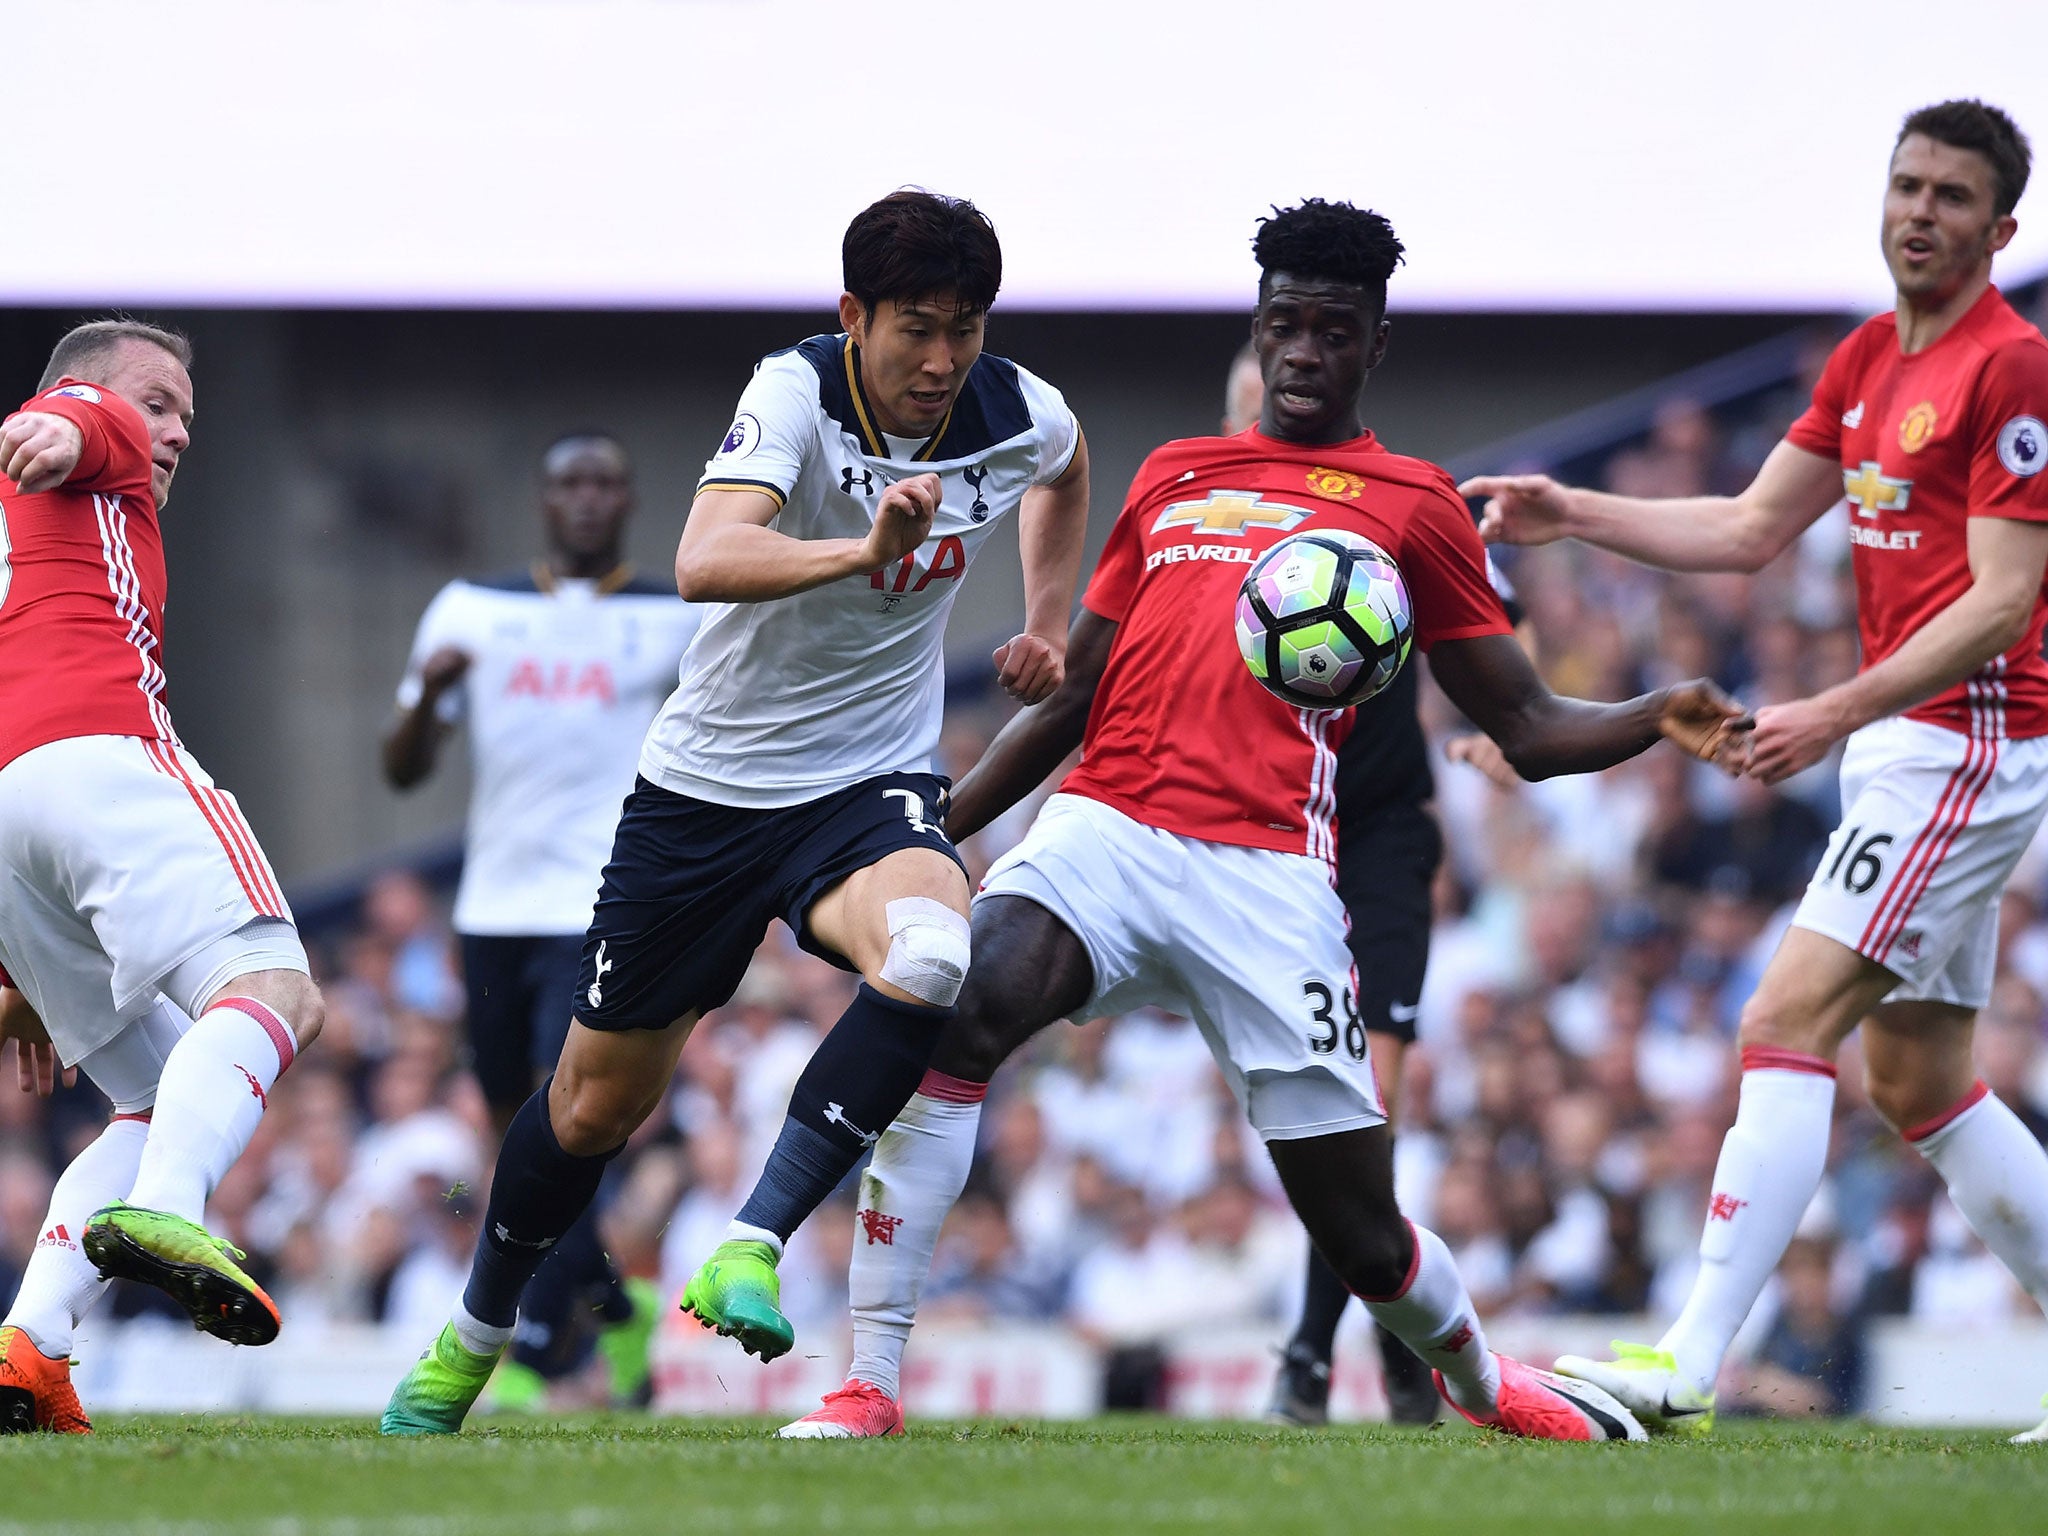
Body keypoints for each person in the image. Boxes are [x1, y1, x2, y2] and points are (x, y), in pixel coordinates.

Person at [776, 197, 1747, 1441]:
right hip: (1105, 830)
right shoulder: (1175, 474)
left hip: (1266, 874)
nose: (1302, 353)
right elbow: (1073, 691)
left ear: (1372, 345)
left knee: (1357, 1229)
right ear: (1257, 328)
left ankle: (1480, 1379)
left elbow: (1527, 730)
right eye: (1283, 327)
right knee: (957, 1012)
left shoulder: (1413, 505)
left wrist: (1655, 708)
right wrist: (933, 833)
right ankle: (869, 1382)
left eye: (1331, 332)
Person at [380, 189, 1091, 1435]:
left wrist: (1042, 619)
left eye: (964, 330)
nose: (940, 361)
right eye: (915, 328)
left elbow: (1066, 467)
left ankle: (747, 1243)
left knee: (933, 947)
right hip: (705, 795)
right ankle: (475, 1331)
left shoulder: (1014, 410)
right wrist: (861, 550)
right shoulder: (796, 393)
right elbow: (707, 558)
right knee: (593, 1107)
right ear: (851, 315)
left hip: (866, 783)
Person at [1463, 99, 2048, 1441]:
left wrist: (1833, 708)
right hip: (1910, 745)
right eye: (1909, 186)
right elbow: (1744, 529)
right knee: (1918, 1086)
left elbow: (2008, 600)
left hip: (1969, 747)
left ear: (2001, 230)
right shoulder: (1862, 359)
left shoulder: (2011, 369)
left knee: (1781, 1022)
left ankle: (1689, 1358)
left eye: (1955, 197)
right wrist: (1573, 514)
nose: (1921, 212)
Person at [0, 321, 326, 1433]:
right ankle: (170, 1210)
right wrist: (55, 424)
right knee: (275, 990)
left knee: (147, 1094)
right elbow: (70, 421)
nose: (178, 428)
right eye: (162, 400)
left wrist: (16, 963)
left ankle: (31, 1349)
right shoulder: (99, 445)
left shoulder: (23, 530)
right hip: (103, 756)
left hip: (9, 817)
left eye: (188, 411)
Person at [1215, 347, 1529, 1428]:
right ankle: (1399, 1345)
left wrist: (1500, 728)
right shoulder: (1205, 529)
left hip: (1381, 841)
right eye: (1256, 407)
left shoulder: (1393, 505)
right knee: (1312, 1108)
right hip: (1265, 838)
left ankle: (1309, 1354)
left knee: (1363, 1101)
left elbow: (1496, 614)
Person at [382, 432, 699, 1409]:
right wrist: (432, 692)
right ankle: (615, 1305)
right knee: (508, 1135)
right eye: (570, 482)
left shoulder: (674, 615)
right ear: (543, 499)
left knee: (563, 1124)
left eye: (606, 481)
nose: (588, 498)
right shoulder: (473, 609)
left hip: (599, 905)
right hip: (492, 909)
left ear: (631, 499)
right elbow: (400, 769)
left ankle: (526, 1352)